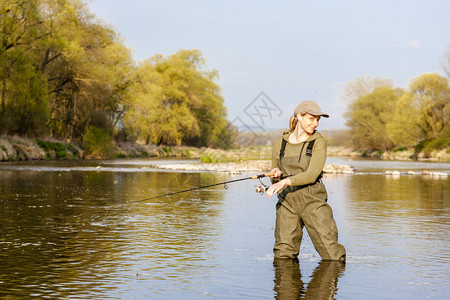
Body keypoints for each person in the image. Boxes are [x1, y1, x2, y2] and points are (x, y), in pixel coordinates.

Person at [266, 100, 346, 261]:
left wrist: (284, 182)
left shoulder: (318, 142)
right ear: (298, 116)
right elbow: (275, 181)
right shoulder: (280, 143)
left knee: (331, 255)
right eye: (311, 118)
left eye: (318, 120)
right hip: (287, 202)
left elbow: (311, 174)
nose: (315, 123)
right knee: (282, 255)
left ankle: (330, 284)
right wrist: (275, 177)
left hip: (313, 201)